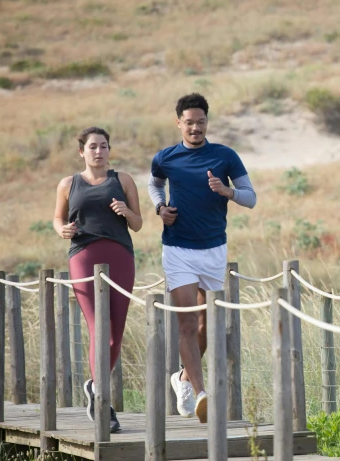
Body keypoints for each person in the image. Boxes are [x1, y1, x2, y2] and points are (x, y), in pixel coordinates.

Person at [148, 93, 256, 423]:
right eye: (189, 122)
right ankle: (200, 393)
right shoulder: (165, 158)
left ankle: (181, 378)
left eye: (201, 122)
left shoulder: (225, 156)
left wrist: (228, 192)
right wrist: (159, 207)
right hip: (178, 249)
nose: (195, 127)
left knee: (208, 325)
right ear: (178, 123)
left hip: (213, 249)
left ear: (208, 122)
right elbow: (154, 184)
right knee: (187, 323)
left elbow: (250, 198)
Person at [52, 126, 143, 433]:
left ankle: (93, 386)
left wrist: (126, 210)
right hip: (84, 255)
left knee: (116, 332)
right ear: (82, 151)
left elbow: (139, 224)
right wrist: (61, 230)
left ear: (109, 150)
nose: (99, 151)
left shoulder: (123, 180)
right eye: (92, 146)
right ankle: (103, 399)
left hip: (120, 255)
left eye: (103, 146)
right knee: (98, 328)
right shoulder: (68, 183)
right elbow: (57, 218)